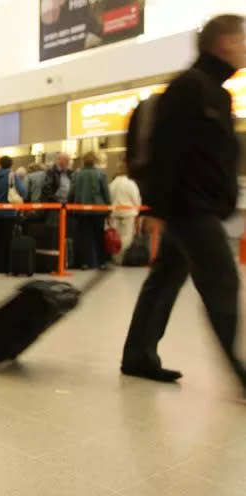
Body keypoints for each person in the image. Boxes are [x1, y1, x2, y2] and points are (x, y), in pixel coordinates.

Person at [121, 14, 246, 388]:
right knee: (223, 282)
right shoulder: (190, 87)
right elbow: (167, 152)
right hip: (190, 210)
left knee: (166, 278)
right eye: (241, 40)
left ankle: (138, 356)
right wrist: (157, 208)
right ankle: (241, 371)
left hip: (195, 208)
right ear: (224, 43)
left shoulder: (217, 92)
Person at [0, 156, 28, 273]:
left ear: (0, 164)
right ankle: (6, 267)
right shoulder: (12, 176)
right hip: (9, 214)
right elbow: (23, 191)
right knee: (7, 240)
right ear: (11, 165)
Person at [69, 152, 111, 269]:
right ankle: (101, 262)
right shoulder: (100, 174)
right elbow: (106, 193)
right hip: (98, 210)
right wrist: (109, 208)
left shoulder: (77, 174)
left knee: (84, 237)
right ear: (95, 161)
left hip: (81, 210)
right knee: (99, 236)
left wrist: (69, 205)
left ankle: (84, 263)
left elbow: (72, 192)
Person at [108, 161, 141, 264]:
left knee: (116, 237)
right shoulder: (130, 183)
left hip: (115, 213)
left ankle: (115, 257)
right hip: (128, 214)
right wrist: (138, 210)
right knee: (127, 236)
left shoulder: (112, 184)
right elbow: (136, 199)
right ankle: (122, 258)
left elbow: (108, 198)